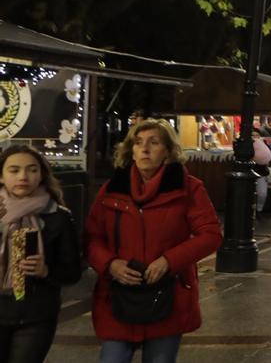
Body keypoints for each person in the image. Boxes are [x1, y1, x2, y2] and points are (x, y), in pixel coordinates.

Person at [85, 119, 222, 363]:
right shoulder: (112, 189)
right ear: (131, 151)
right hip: (119, 296)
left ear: (168, 151)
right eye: (138, 143)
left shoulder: (188, 188)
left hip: (167, 295)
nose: (145, 149)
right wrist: (110, 264)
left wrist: (169, 261)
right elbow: (92, 238)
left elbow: (210, 234)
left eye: (153, 142)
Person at [0, 146, 83, 362]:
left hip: (35, 315)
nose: (23, 177)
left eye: (32, 170)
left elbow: (73, 271)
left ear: (41, 174)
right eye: (14, 170)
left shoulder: (58, 216)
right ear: (1, 176)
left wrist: (46, 270)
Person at [251, 128, 271, 213]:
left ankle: (259, 210)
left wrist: (269, 162)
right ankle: (250, 211)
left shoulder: (265, 146)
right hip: (250, 173)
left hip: (262, 173)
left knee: (262, 194)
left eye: (256, 135)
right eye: (253, 135)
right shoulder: (248, 145)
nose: (255, 137)